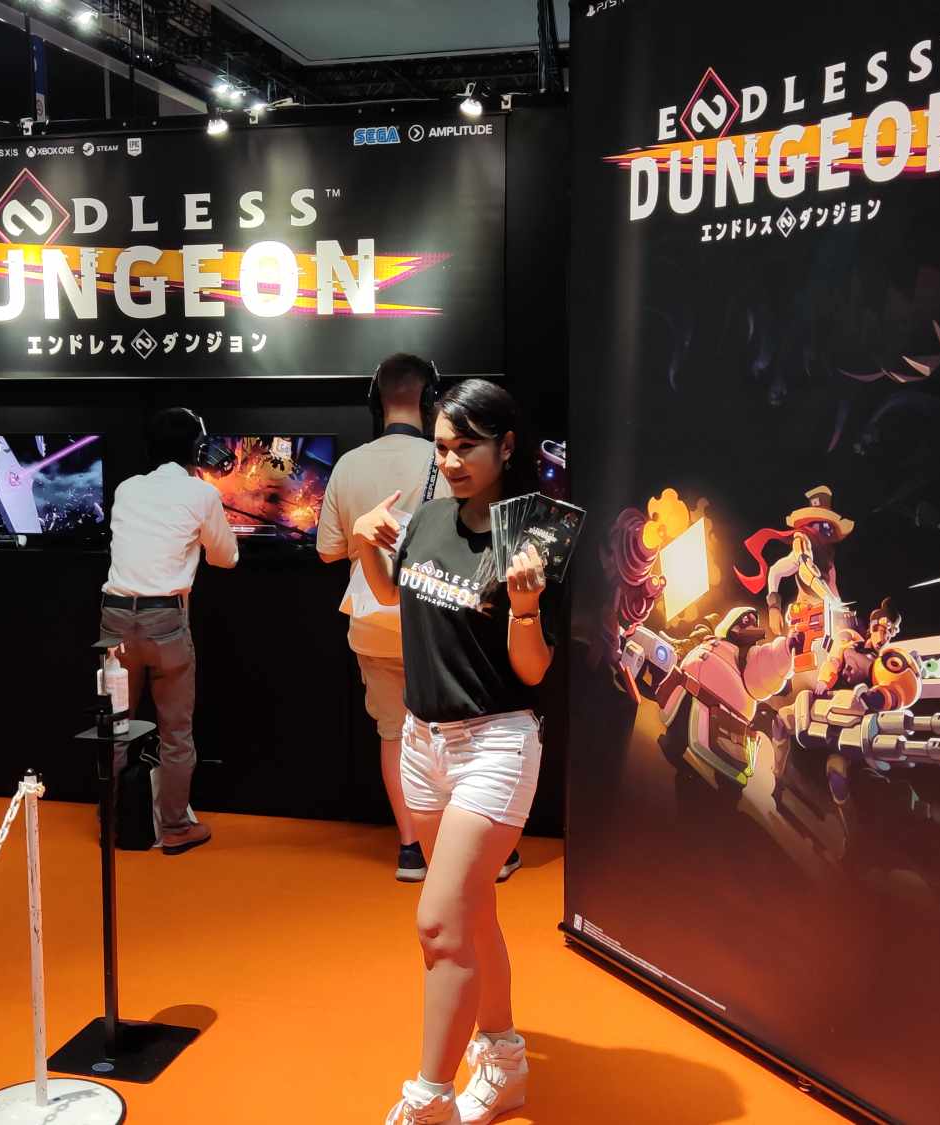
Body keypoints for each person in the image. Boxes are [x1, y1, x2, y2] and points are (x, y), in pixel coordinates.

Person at [352, 378, 553, 1125]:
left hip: (494, 742)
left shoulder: (533, 534)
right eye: (442, 447)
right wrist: (367, 545)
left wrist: (526, 608)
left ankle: (429, 1099)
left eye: (468, 446)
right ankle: (503, 1060)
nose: (453, 460)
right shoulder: (430, 517)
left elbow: (533, 669)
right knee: (472, 913)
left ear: (507, 445)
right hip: (421, 741)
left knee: (439, 924)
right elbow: (393, 597)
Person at [318, 353, 456, 882]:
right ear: (431, 400)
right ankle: (456, 849)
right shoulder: (449, 460)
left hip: (372, 626)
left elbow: (328, 550)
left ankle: (410, 849)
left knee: (394, 733)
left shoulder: (349, 465)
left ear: (375, 402)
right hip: (436, 624)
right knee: (451, 734)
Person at [99, 407, 240, 855]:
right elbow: (227, 558)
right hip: (164, 621)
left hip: (114, 620)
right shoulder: (202, 493)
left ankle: (113, 822)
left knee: (115, 726)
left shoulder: (127, 488)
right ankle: (176, 827)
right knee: (175, 731)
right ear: (198, 448)